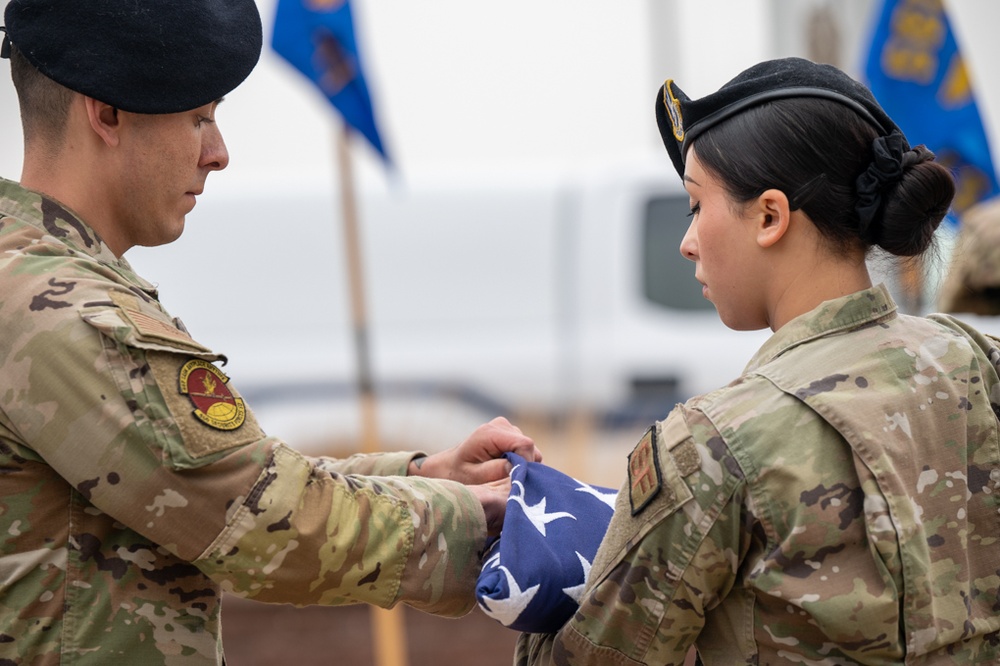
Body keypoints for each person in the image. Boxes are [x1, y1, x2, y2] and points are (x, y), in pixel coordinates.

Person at [0, 1, 540, 663]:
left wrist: (431, 476)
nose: (218, 154)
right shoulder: (60, 309)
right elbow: (259, 519)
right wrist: (480, 519)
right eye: (199, 117)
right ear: (107, 112)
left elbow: (219, 477)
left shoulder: (30, 279)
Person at [516, 57, 1000, 664]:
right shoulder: (979, 363)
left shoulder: (716, 441)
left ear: (770, 216)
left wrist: (545, 578)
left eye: (696, 205)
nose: (687, 240)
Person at [938, 195, 1000, 317]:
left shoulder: (980, 218)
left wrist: (942, 313)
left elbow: (956, 283)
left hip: (981, 307)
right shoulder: (982, 218)